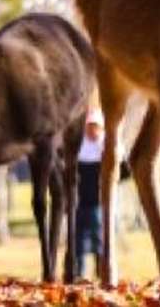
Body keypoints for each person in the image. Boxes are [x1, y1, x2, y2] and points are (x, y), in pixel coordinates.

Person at [68, 112, 104, 281]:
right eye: (89, 127)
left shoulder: (105, 147)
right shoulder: (79, 148)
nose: (92, 131)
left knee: (100, 242)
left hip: (99, 204)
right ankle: (79, 275)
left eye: (95, 127)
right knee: (79, 244)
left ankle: (102, 273)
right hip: (79, 204)